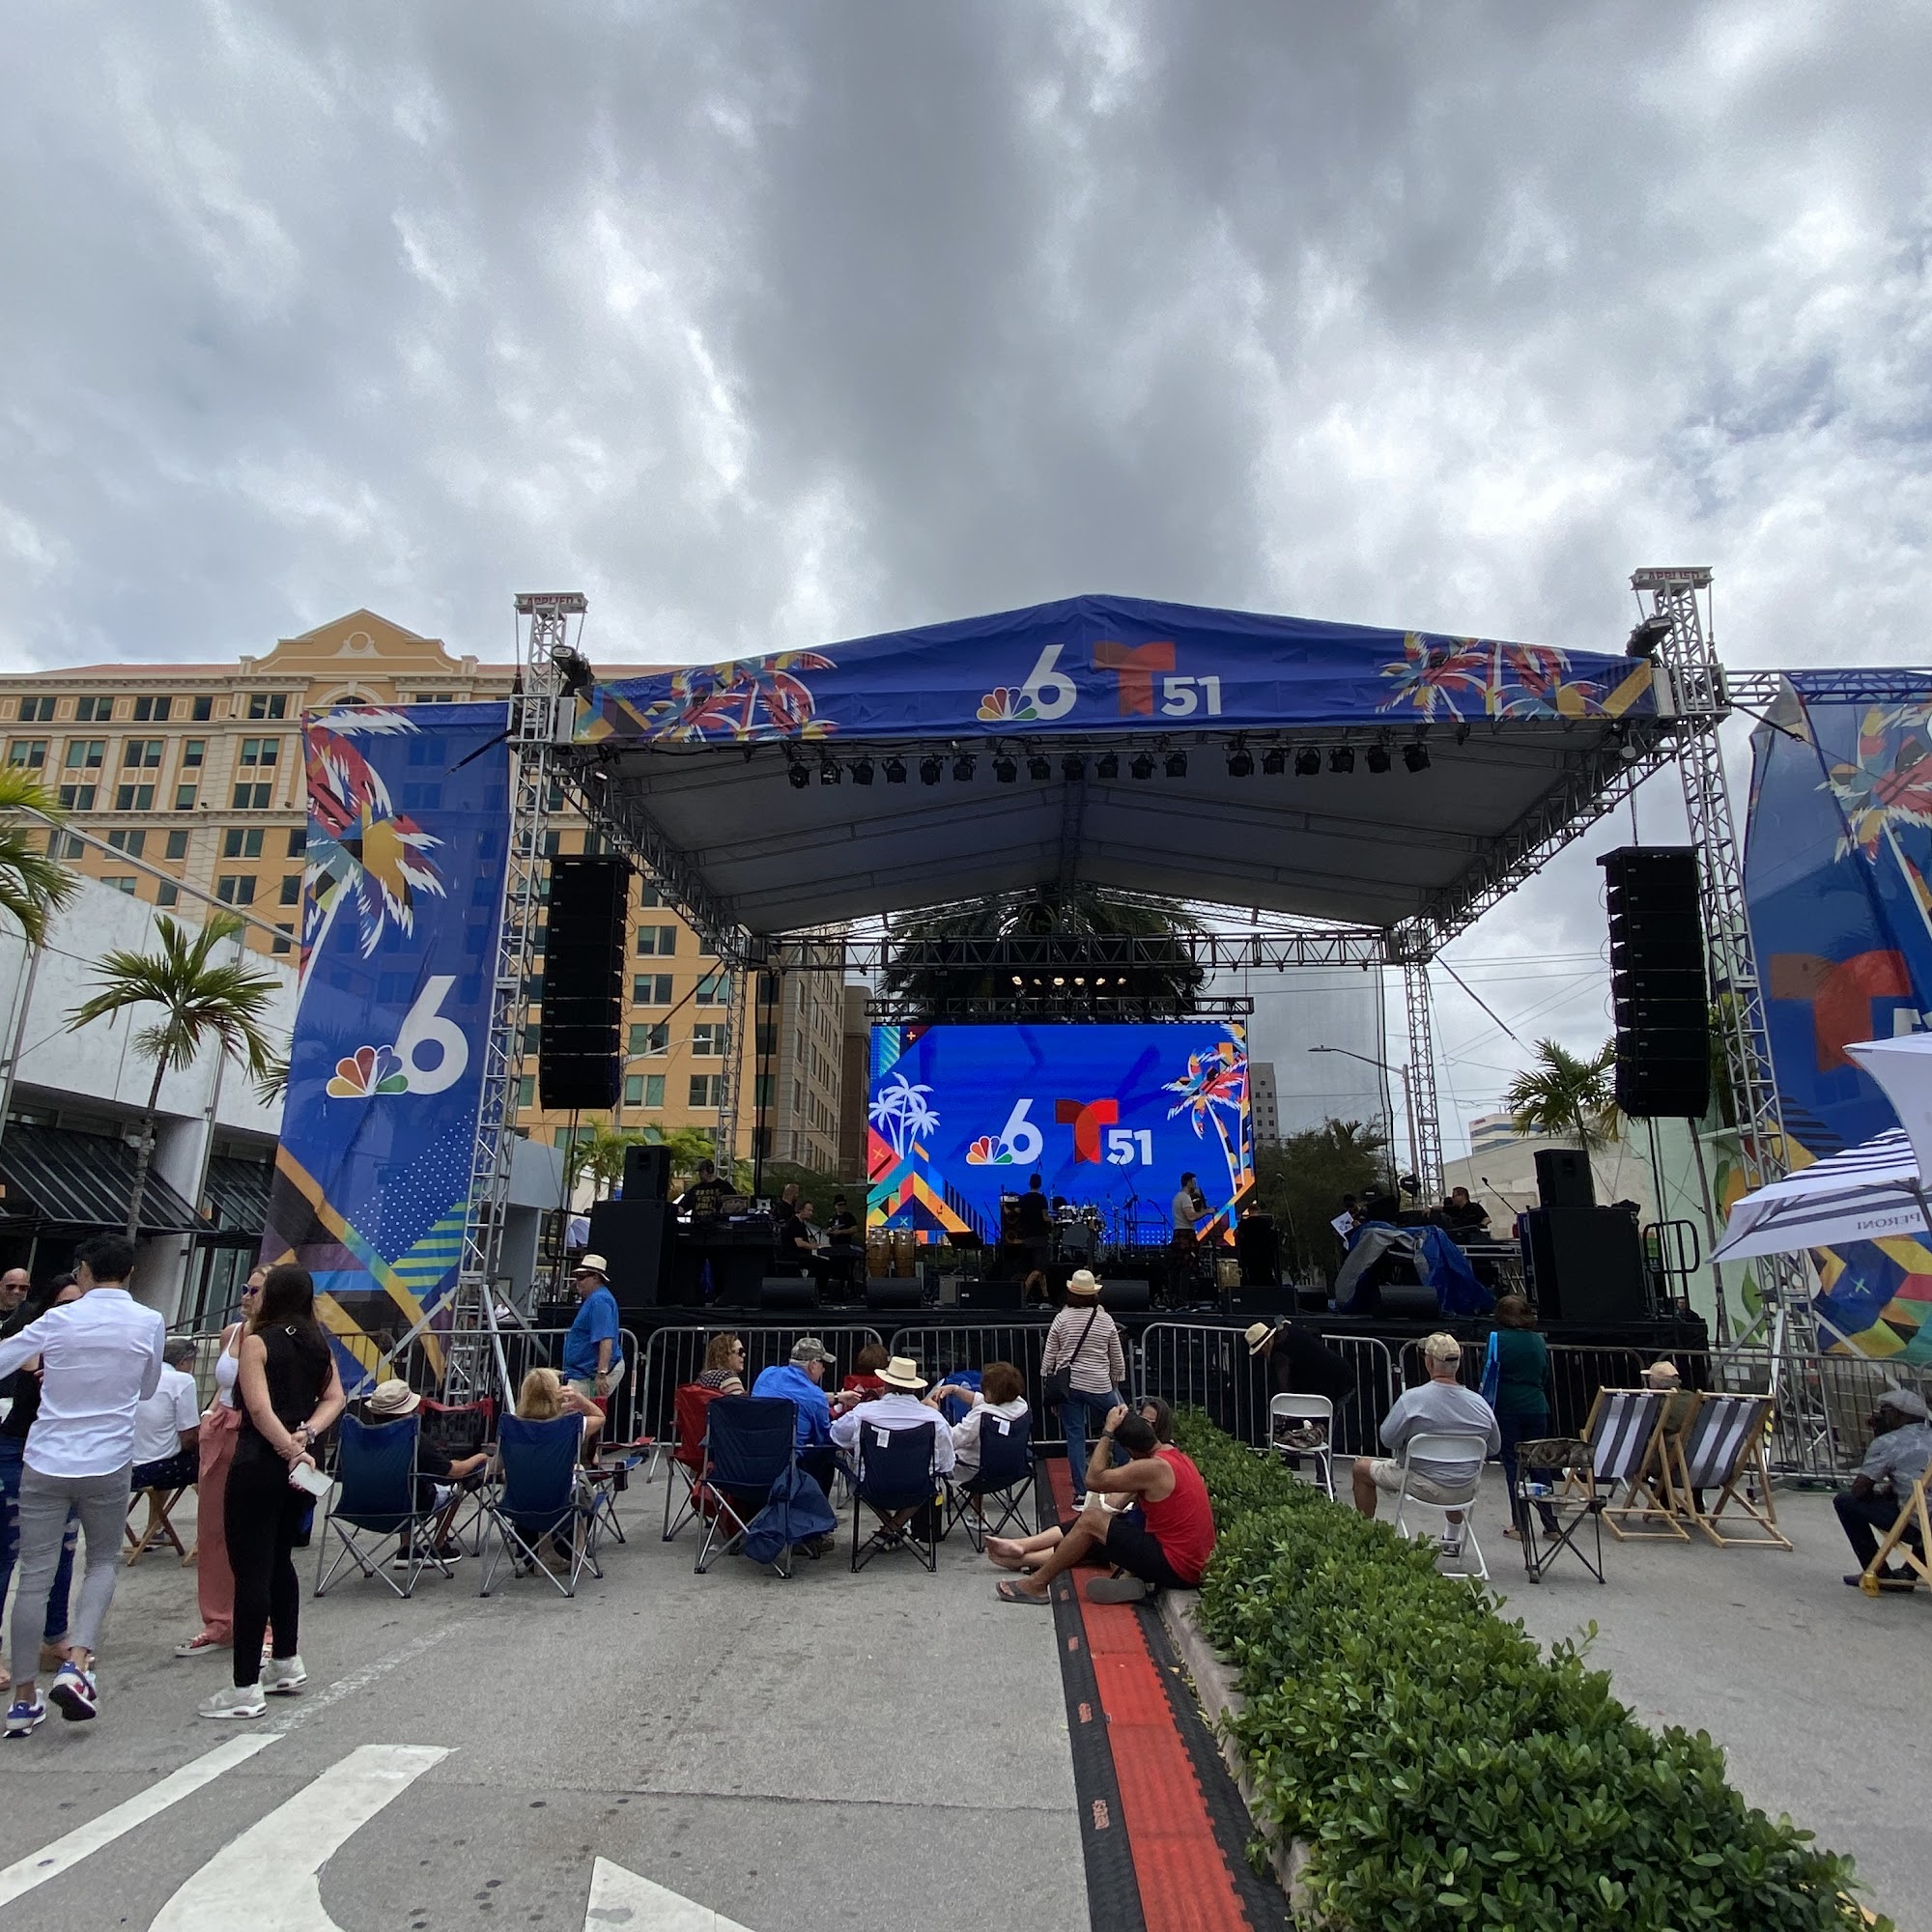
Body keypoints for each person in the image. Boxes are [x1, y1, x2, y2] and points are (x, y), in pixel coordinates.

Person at [0, 1235, 164, 1733]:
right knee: (99, 1563)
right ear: (131, 1273)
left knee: (35, 1574)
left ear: (83, 1272)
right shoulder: (148, 1321)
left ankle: (24, 1695)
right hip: (108, 1457)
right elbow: (148, 1388)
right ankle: (78, 1662)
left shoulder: (58, 1319)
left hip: (47, 1455)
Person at [199, 1264, 345, 1719]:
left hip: (259, 1463)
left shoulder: (257, 1342)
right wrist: (308, 1434)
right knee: (280, 1559)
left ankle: (244, 1685)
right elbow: (335, 1397)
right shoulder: (317, 1343)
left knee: (251, 1570)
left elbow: (258, 1409)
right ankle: (285, 1658)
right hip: (297, 1463)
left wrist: (287, 1447)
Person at [991, 1410, 1215, 1605]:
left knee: (1090, 1520)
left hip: (1178, 1567)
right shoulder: (1172, 1455)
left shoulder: (1153, 1468)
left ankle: (1036, 1585)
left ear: (1129, 1450)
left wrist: (1107, 1432)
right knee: (1097, 1531)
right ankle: (1135, 1581)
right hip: (1187, 1563)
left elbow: (1093, 1480)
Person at [0, 1277, 82, 1695]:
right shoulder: (28, 1341)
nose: (71, 1312)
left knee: (65, 1549)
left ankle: (54, 1637)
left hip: (65, 1455)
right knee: (9, 1550)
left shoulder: (87, 1347)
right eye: (63, 1304)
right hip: (18, 1448)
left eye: (79, 1304)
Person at [176, 1268, 262, 1660]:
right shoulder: (233, 1332)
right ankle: (217, 1618)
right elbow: (223, 1386)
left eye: (254, 1290)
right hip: (221, 1427)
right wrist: (210, 1415)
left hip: (256, 1433)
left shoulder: (282, 1337)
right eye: (244, 1288)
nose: (246, 1295)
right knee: (212, 1529)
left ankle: (262, 1623)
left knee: (252, 1532)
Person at [1351, 1333, 1499, 1558]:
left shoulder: (1412, 1399)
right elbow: (1494, 1447)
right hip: (1465, 1488)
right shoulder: (1480, 1404)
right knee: (1455, 1468)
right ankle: (1452, 1537)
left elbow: (1387, 1439)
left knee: (1361, 1468)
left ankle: (1364, 1536)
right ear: (1457, 1365)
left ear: (1429, 1362)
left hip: (1424, 1484)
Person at [361, 1379, 492, 1570]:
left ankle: (406, 1547)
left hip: (362, 1506)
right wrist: (481, 1457)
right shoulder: (413, 1437)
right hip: (408, 1506)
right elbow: (453, 1471)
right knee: (455, 1487)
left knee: (402, 1485)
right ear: (407, 1410)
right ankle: (439, 1545)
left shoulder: (361, 1436)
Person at [832, 1356, 954, 1534]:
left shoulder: (863, 1413)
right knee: (931, 1480)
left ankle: (891, 1527)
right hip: (917, 1487)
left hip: (873, 1486)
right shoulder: (934, 1418)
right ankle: (894, 1527)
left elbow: (836, 1436)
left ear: (886, 1384)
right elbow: (946, 1464)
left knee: (850, 1468)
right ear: (914, 1387)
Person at [1040, 1269, 1127, 1504]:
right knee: (1122, 1424)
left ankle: (1080, 1493)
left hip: (1069, 1385)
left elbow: (1050, 1356)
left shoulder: (1061, 1318)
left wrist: (1049, 1384)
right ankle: (1124, 1482)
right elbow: (1116, 1355)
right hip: (1099, 1383)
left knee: (1075, 1436)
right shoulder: (1104, 1319)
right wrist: (1116, 1381)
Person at [1833, 1386, 1931, 1589]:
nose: (1877, 1417)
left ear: (1898, 1414)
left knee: (1846, 1502)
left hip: (1922, 1526)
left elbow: (1859, 1491)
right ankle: (1910, 1571)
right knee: (1917, 1499)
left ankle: (1877, 1570)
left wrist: (1877, 1440)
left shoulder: (1888, 1442)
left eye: (1883, 1412)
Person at [1487, 1295, 1552, 1533]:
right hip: (1536, 1405)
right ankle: (1550, 1523)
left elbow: (1491, 1372)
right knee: (1539, 1463)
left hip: (1508, 1406)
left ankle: (1521, 1523)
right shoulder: (1538, 1340)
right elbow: (1544, 1372)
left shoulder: (1497, 1339)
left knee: (1513, 1465)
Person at [752, 1336, 842, 1491]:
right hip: (787, 1467)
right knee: (827, 1451)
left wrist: (835, 1397)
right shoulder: (815, 1396)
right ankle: (817, 1511)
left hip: (750, 1458)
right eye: (822, 1364)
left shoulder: (766, 1375)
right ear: (813, 1365)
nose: (824, 1369)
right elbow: (823, 1437)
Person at [1244, 1320, 1355, 1445]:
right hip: (1336, 1380)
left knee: (1323, 1433)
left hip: (1337, 1385)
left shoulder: (1280, 1356)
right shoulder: (1290, 1332)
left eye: (1260, 1352)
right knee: (1323, 1430)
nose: (1262, 1355)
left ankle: (1319, 1458)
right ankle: (1323, 1459)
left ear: (1265, 1345)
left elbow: (1285, 1392)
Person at [128, 1335, 202, 1504]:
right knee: (211, 1465)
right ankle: (216, 1521)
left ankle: (156, 1525)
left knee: (168, 1449)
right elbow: (189, 1436)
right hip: (154, 1469)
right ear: (184, 1361)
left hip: (124, 1466)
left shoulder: (139, 1376)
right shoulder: (182, 1380)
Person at [927, 1361, 1027, 1485]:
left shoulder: (982, 1415)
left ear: (993, 1391)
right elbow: (982, 1401)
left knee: (930, 1458)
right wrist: (955, 1389)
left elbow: (950, 1440)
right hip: (1009, 1469)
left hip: (974, 1471)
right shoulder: (1021, 1405)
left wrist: (934, 1413)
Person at [561, 1255, 622, 1404]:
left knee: (573, 1418)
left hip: (589, 1375)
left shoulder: (599, 1301)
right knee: (578, 1418)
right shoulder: (596, 1299)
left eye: (581, 1277)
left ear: (595, 1277)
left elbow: (606, 1339)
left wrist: (602, 1373)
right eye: (576, 1276)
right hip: (584, 1374)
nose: (577, 1282)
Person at [1012, 1173, 1052, 1279]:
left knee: (1031, 1270)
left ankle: (1044, 1295)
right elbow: (1045, 1217)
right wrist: (1052, 1221)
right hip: (1040, 1238)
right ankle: (1025, 1292)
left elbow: (1017, 1214)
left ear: (1029, 1183)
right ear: (1040, 1184)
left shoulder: (1023, 1199)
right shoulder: (1042, 1199)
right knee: (1039, 1270)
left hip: (1027, 1237)